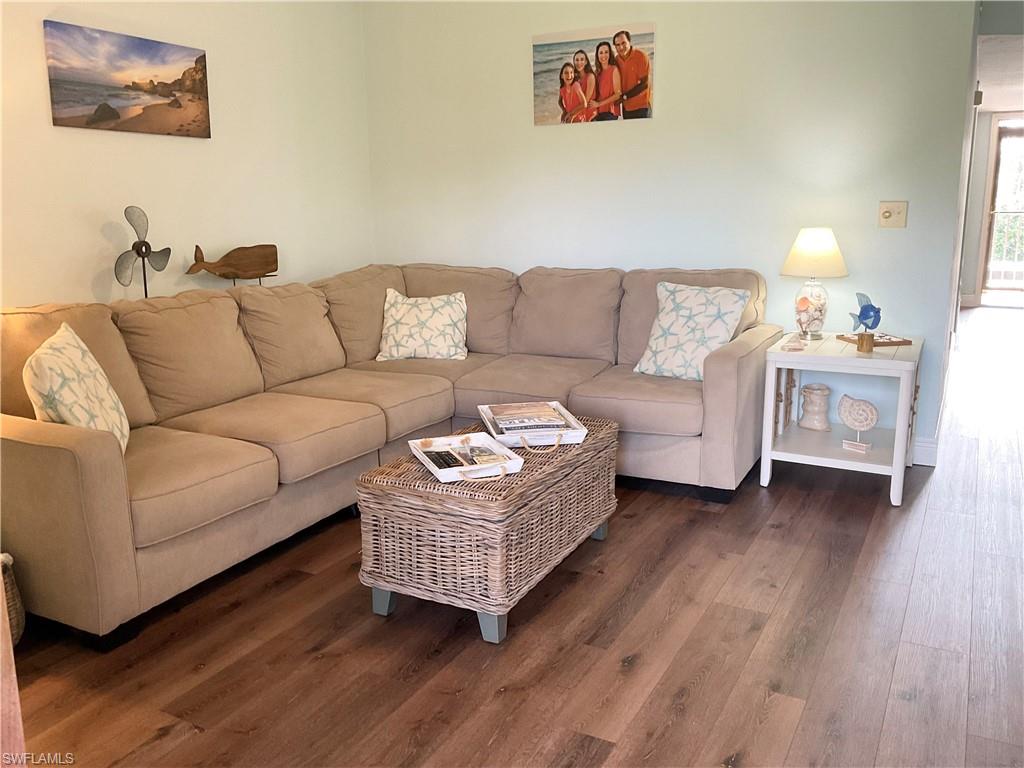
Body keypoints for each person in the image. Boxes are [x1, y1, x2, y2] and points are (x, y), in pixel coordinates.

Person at [613, 30, 651, 119]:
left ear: (629, 42)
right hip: (626, 109)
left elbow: (645, 84)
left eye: (623, 43)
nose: (621, 47)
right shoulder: (616, 60)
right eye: (617, 45)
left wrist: (625, 97)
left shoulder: (641, 56)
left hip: (642, 107)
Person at [590, 41, 622, 121]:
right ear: (597, 55)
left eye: (606, 52)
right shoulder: (596, 72)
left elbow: (618, 94)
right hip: (597, 111)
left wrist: (599, 104)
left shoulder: (614, 69)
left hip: (610, 112)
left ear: (610, 54)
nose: (603, 55)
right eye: (601, 53)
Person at [572, 49, 597, 122]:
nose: (579, 62)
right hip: (580, 115)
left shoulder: (590, 76)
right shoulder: (575, 78)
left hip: (590, 116)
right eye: (576, 60)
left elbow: (586, 101)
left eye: (582, 59)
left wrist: (571, 114)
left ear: (586, 62)